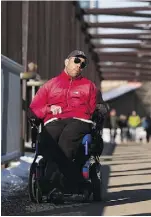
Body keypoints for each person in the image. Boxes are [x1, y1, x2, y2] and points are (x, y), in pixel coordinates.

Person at [29, 50, 102, 202]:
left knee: (67, 140)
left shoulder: (89, 86)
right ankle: (77, 183)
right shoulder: (50, 85)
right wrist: (48, 109)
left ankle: (52, 185)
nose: (79, 65)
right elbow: (34, 108)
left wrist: (101, 111)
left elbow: (99, 106)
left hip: (80, 120)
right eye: (76, 61)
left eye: (83, 64)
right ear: (66, 61)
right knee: (47, 140)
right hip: (54, 119)